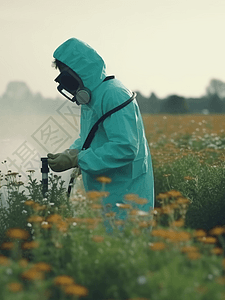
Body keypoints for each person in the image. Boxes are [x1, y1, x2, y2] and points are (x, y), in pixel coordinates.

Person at [47, 37, 154, 231]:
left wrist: (78, 159)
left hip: (126, 192)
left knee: (125, 245)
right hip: (107, 191)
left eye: (66, 75)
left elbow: (126, 147)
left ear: (81, 70)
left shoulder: (114, 94)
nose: (66, 82)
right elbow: (89, 137)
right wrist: (70, 153)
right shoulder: (92, 97)